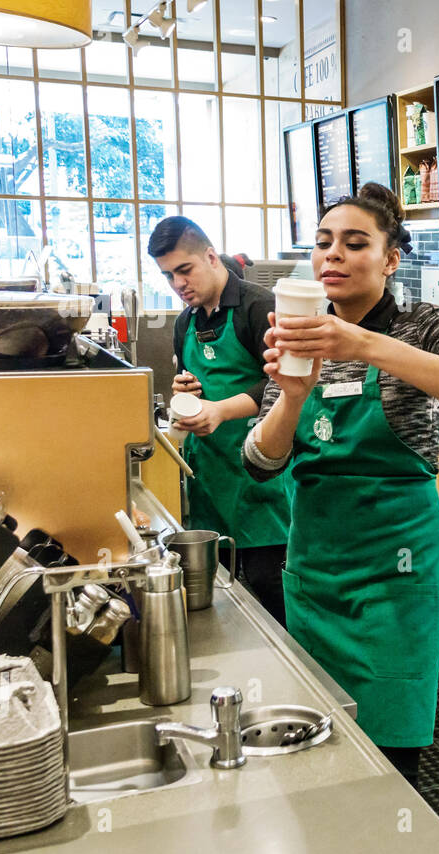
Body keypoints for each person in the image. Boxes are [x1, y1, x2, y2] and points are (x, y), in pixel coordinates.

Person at [242, 183, 439, 787]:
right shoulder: (298, 331)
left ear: (391, 259)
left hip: (396, 576)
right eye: (323, 243)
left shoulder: (420, 326)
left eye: (354, 243)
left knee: (388, 755)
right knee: (315, 747)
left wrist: (364, 344)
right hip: (315, 570)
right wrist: (290, 400)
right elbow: (259, 461)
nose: (331, 255)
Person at [147, 217, 292, 626]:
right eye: (168, 275)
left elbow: (288, 383)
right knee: (220, 605)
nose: (178, 284)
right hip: (210, 481)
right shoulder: (186, 322)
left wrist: (221, 411)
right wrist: (185, 391)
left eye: (184, 270)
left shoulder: (258, 308)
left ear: (211, 256)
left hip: (262, 483)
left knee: (272, 595)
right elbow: (195, 382)